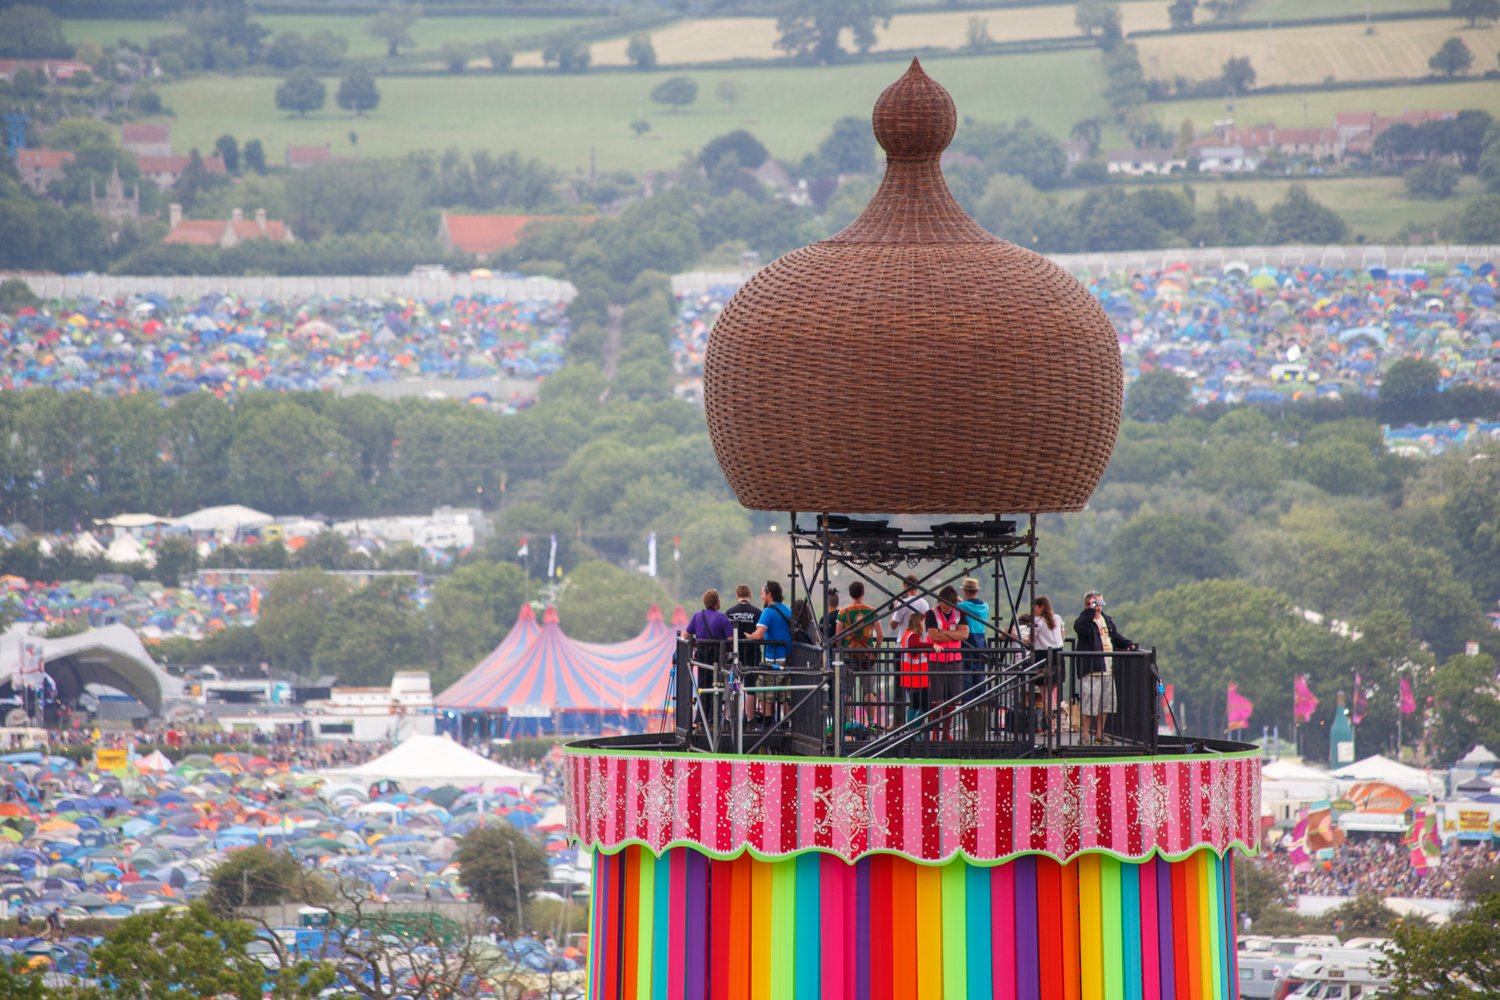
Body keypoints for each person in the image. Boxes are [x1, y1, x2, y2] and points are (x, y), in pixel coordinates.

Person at [1072, 591, 1137, 745]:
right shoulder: (1085, 620)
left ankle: (1100, 735)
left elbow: (1115, 637)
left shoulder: (1106, 620)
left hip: (1107, 668)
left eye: (1100, 603)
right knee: (1088, 704)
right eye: (1095, 604)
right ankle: (1085, 736)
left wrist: (1128, 644)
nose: (1098, 607)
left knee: (1106, 703)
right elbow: (1079, 628)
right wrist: (1090, 611)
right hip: (1092, 669)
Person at [835, 580, 884, 726]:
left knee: (847, 692)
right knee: (869, 691)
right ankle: (871, 724)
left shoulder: (843, 612)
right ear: (863, 593)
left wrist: (841, 650)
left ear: (850, 594)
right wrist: (875, 652)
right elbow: (880, 635)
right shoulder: (872, 611)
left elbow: (838, 637)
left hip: (849, 655)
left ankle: (847, 724)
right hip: (867, 656)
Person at [925, 586, 969, 738]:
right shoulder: (931, 614)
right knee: (936, 698)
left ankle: (946, 731)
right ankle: (935, 731)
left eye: (948, 603)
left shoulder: (959, 613)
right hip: (936, 660)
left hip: (954, 660)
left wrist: (944, 632)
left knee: (952, 699)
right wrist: (954, 634)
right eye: (943, 602)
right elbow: (933, 636)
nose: (945, 606)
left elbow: (965, 634)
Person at [747, 581, 792, 725]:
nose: (761, 596)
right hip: (788, 657)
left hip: (773, 660)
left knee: (765, 692)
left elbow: (759, 635)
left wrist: (751, 636)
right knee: (786, 695)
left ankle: (767, 725)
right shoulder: (787, 609)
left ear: (769, 594)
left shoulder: (768, 612)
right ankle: (787, 725)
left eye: (762, 593)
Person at [956, 578, 991, 736]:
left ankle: (971, 729)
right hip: (981, 647)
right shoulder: (985, 607)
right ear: (977, 591)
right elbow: (971, 608)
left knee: (967, 689)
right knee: (980, 687)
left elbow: (961, 608)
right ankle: (981, 730)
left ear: (965, 591)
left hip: (967, 647)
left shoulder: (961, 606)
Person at [898, 608, 933, 722]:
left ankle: (912, 732)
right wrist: (931, 647)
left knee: (915, 705)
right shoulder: (913, 636)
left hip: (912, 677)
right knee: (925, 706)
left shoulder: (907, 635)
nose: (924, 625)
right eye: (923, 622)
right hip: (917, 677)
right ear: (918, 623)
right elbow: (915, 647)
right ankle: (914, 731)